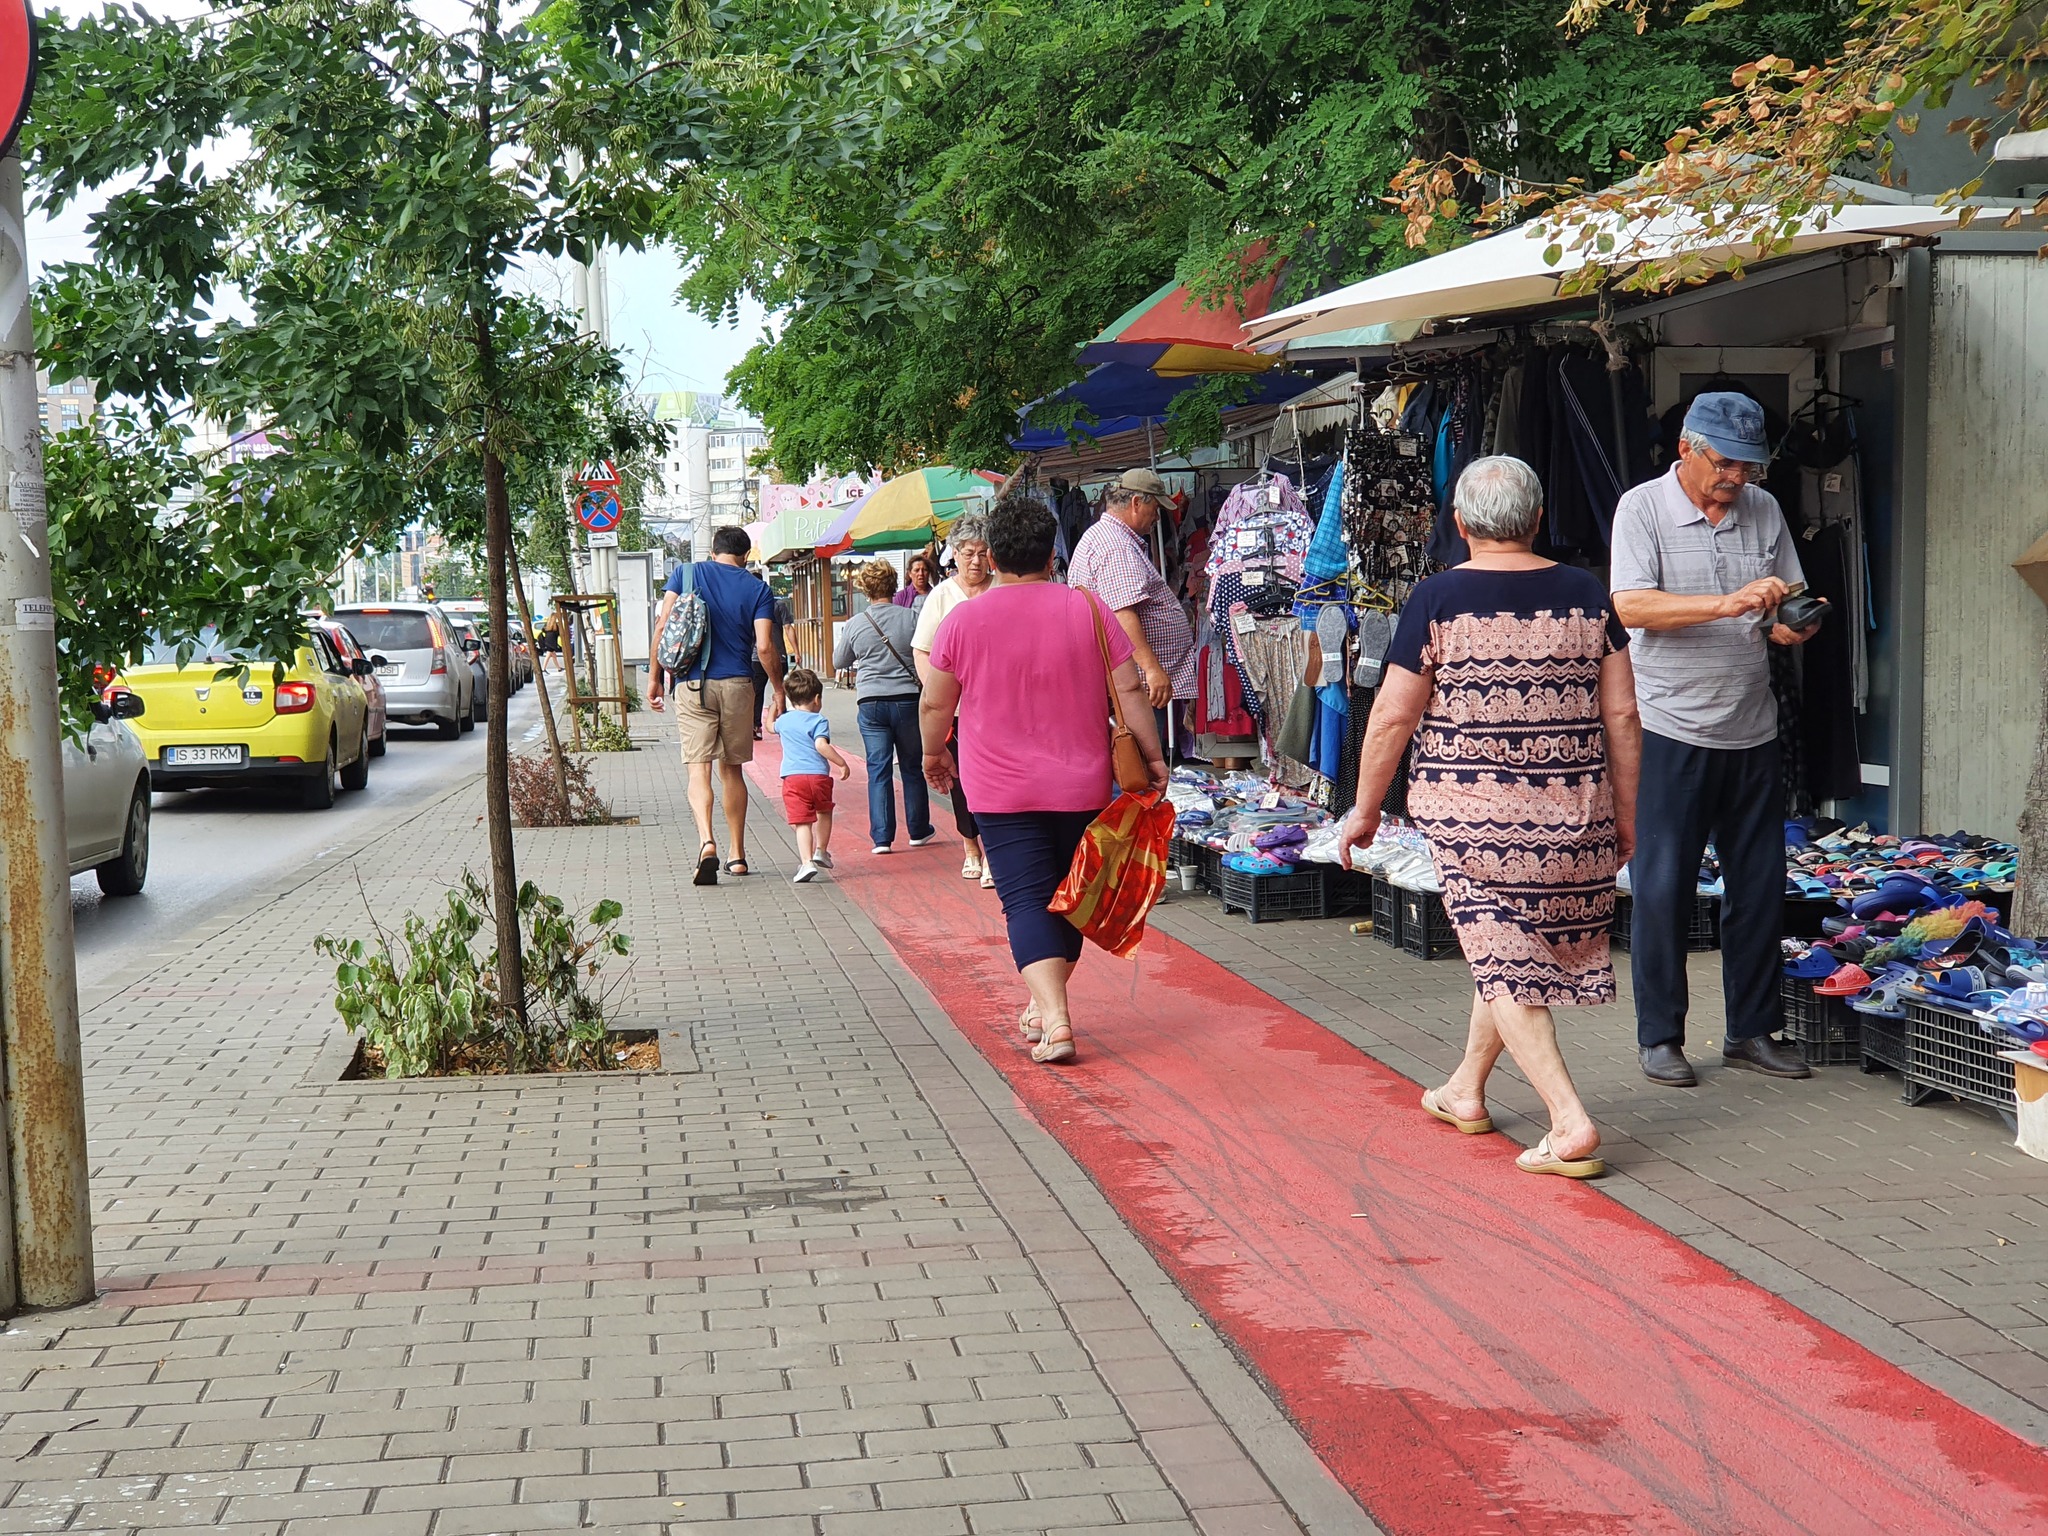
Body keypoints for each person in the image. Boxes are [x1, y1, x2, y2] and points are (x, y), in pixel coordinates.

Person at [1340, 456, 1642, 1180]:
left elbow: (1390, 718)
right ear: (1538, 519)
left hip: (1474, 825)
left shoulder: (1439, 599)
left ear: (1461, 523)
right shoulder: (1588, 596)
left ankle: (1568, 1121)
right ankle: (1465, 1091)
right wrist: (1625, 818)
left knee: (1506, 965)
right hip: (1575, 821)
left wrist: (1364, 809)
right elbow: (1625, 715)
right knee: (1504, 956)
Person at [1610, 392, 1821, 1087]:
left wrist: (1794, 623)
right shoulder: (1641, 508)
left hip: (1751, 726)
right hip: (1670, 727)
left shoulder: (1764, 509)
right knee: (1663, 888)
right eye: (1726, 463)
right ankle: (1660, 1036)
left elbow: (1791, 594)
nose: (1737, 478)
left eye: (1749, 466)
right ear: (1687, 450)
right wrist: (1727, 604)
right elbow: (1631, 604)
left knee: (1761, 886)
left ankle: (1752, 1030)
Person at [920, 495, 1167, 1066]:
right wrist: (1152, 757)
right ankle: (1046, 1003)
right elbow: (1129, 690)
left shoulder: (964, 619)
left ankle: (1053, 1017)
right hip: (1080, 782)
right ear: (1052, 555)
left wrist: (934, 755)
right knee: (1069, 895)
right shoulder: (1088, 607)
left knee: (1025, 900)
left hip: (998, 788)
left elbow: (936, 704)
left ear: (995, 556)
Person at [647, 526, 784, 885]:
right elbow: (765, 647)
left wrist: (654, 678)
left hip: (691, 683)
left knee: (698, 769)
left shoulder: (687, 573)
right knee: (732, 770)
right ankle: (737, 856)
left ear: (713, 551)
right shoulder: (758, 589)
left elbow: (663, 626)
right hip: (738, 684)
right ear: (746, 554)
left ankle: (707, 841)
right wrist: (779, 690)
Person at [1067, 467, 1196, 759]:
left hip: (1129, 681)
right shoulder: (1117, 546)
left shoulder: (1107, 537)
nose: (1157, 517)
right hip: (1134, 683)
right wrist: (1152, 669)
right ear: (1137, 503)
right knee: (1141, 763)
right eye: (1155, 507)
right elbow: (1122, 614)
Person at [914, 513, 996, 887]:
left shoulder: (1001, 589)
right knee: (962, 781)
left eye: (982, 552)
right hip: (957, 710)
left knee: (997, 781)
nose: (975, 561)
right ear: (954, 555)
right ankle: (970, 848)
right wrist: (938, 695)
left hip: (998, 707)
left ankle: (995, 852)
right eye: (967, 553)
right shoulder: (942, 596)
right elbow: (922, 650)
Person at [833, 558, 936, 854]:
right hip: (907, 701)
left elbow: (839, 662)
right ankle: (918, 830)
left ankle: (882, 838)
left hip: (871, 703)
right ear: (893, 586)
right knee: (911, 767)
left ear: (866, 590)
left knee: (878, 769)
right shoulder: (911, 618)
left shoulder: (855, 624)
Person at [773, 667, 851, 884]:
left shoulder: (785, 720)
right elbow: (820, 745)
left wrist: (773, 708)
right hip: (818, 777)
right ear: (817, 699)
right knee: (824, 812)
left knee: (802, 822)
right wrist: (841, 762)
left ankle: (806, 863)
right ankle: (821, 851)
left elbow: (770, 727)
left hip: (793, 778)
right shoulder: (819, 720)